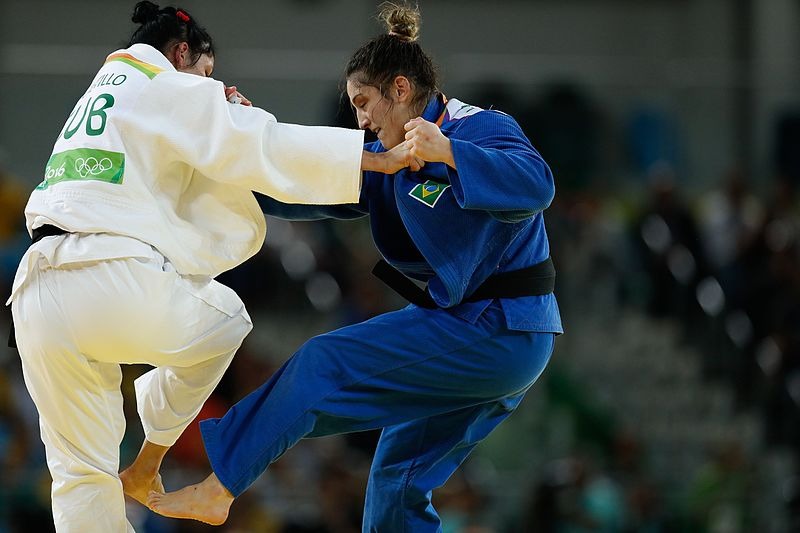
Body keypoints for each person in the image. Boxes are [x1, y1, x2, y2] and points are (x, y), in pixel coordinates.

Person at [148, 3, 563, 531]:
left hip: (502, 326)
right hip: (484, 334)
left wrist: (454, 153)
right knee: (398, 478)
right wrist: (240, 145)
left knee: (325, 362)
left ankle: (219, 487)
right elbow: (305, 187)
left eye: (364, 103)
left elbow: (538, 185)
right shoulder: (386, 159)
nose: (360, 118)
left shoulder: (477, 126)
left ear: (400, 88)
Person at [6, 2, 417, 531]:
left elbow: (191, 181)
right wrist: (369, 158)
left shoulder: (99, 100)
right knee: (226, 320)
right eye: (206, 72)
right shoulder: (165, 83)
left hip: (35, 291)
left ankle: (141, 464)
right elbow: (256, 145)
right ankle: (153, 452)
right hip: (105, 280)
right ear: (181, 52)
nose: (211, 84)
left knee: (80, 477)